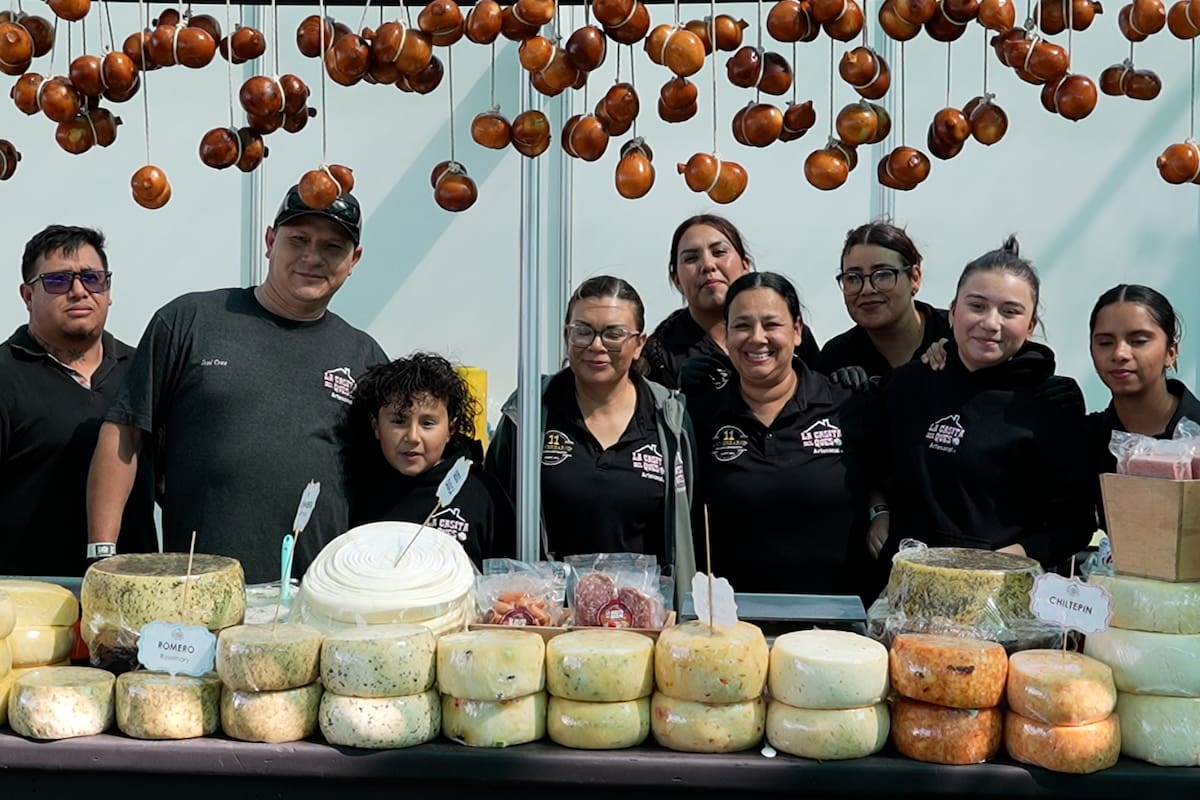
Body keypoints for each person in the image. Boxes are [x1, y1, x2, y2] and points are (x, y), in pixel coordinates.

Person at [87, 186, 388, 584]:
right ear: (269, 241)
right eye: (298, 240)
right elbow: (124, 434)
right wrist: (102, 557)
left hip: (314, 601)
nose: (313, 257)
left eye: (333, 247)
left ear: (354, 261)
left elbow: (391, 477)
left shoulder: (366, 358)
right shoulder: (189, 321)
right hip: (196, 594)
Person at [870, 236, 1094, 571]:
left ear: (1030, 325)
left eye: (1010, 312)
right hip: (907, 590)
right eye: (977, 306)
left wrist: (1004, 561)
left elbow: (1074, 524)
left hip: (1002, 597)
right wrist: (879, 512)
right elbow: (870, 469)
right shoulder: (906, 385)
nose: (990, 323)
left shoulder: (1052, 402)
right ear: (953, 311)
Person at [485, 275, 696, 591]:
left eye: (614, 334)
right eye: (582, 331)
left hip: (644, 618)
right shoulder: (529, 413)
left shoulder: (670, 417)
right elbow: (495, 511)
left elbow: (688, 518)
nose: (596, 346)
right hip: (552, 618)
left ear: (639, 344)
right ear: (566, 335)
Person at [684, 271, 877, 600]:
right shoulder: (700, 414)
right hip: (733, 622)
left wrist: (881, 511)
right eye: (742, 325)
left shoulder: (847, 404)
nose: (757, 338)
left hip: (837, 623)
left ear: (797, 331)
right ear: (726, 334)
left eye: (771, 324)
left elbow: (888, 477)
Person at [1, 225, 156, 576]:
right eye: (57, 281)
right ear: (27, 295)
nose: (78, 291)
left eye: (93, 278)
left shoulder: (143, 372)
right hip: (31, 608)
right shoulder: (5, 376)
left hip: (135, 601)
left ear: (109, 290)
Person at [349, 352, 515, 567]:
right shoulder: (358, 490)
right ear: (376, 427)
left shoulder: (483, 493)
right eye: (399, 421)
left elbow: (507, 583)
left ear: (450, 429)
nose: (412, 437)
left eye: (427, 423)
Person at [643, 215, 820, 392]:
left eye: (719, 252)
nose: (708, 265)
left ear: (745, 265)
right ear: (676, 280)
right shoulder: (659, 353)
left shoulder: (787, 333)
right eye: (691, 259)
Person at [1086, 285, 1199, 528]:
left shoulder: (1196, 433)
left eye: (1138, 341)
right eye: (1105, 342)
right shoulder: (1085, 439)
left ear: (1171, 352)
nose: (1120, 353)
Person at [819, 222, 952, 382]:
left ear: (915, 278)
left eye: (883, 275)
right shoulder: (836, 358)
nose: (867, 289)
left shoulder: (956, 335)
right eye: (853, 278)